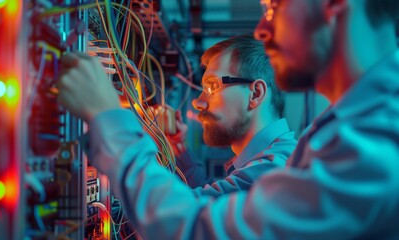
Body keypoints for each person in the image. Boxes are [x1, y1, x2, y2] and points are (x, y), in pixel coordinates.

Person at [57, 0, 399, 238]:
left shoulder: (373, 142)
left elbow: (200, 229)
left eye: (273, 5)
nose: (264, 28)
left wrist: (108, 117)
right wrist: (183, 158)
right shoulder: (350, 128)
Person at [168, 36, 296, 196]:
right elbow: (216, 202)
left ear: (256, 94)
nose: (197, 102)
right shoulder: (272, 157)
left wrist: (128, 137)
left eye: (212, 86)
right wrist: (179, 148)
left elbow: (185, 212)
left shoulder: (272, 171)